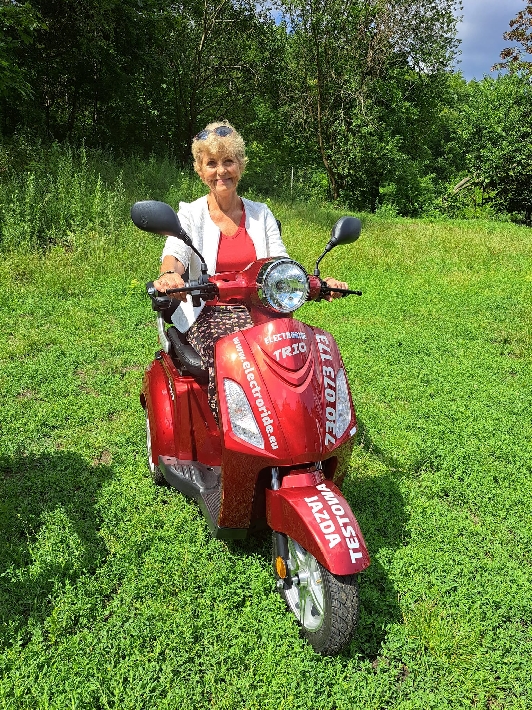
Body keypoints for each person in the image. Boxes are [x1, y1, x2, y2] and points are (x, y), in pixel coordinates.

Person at [154, 120, 348, 419]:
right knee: (230, 361)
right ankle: (235, 432)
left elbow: (280, 263)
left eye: (228, 161)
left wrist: (314, 283)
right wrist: (170, 275)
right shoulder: (190, 214)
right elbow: (175, 253)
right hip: (209, 313)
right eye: (211, 163)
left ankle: (301, 423)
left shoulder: (261, 213)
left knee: (304, 355)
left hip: (264, 311)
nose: (221, 171)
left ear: (240, 165)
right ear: (200, 170)